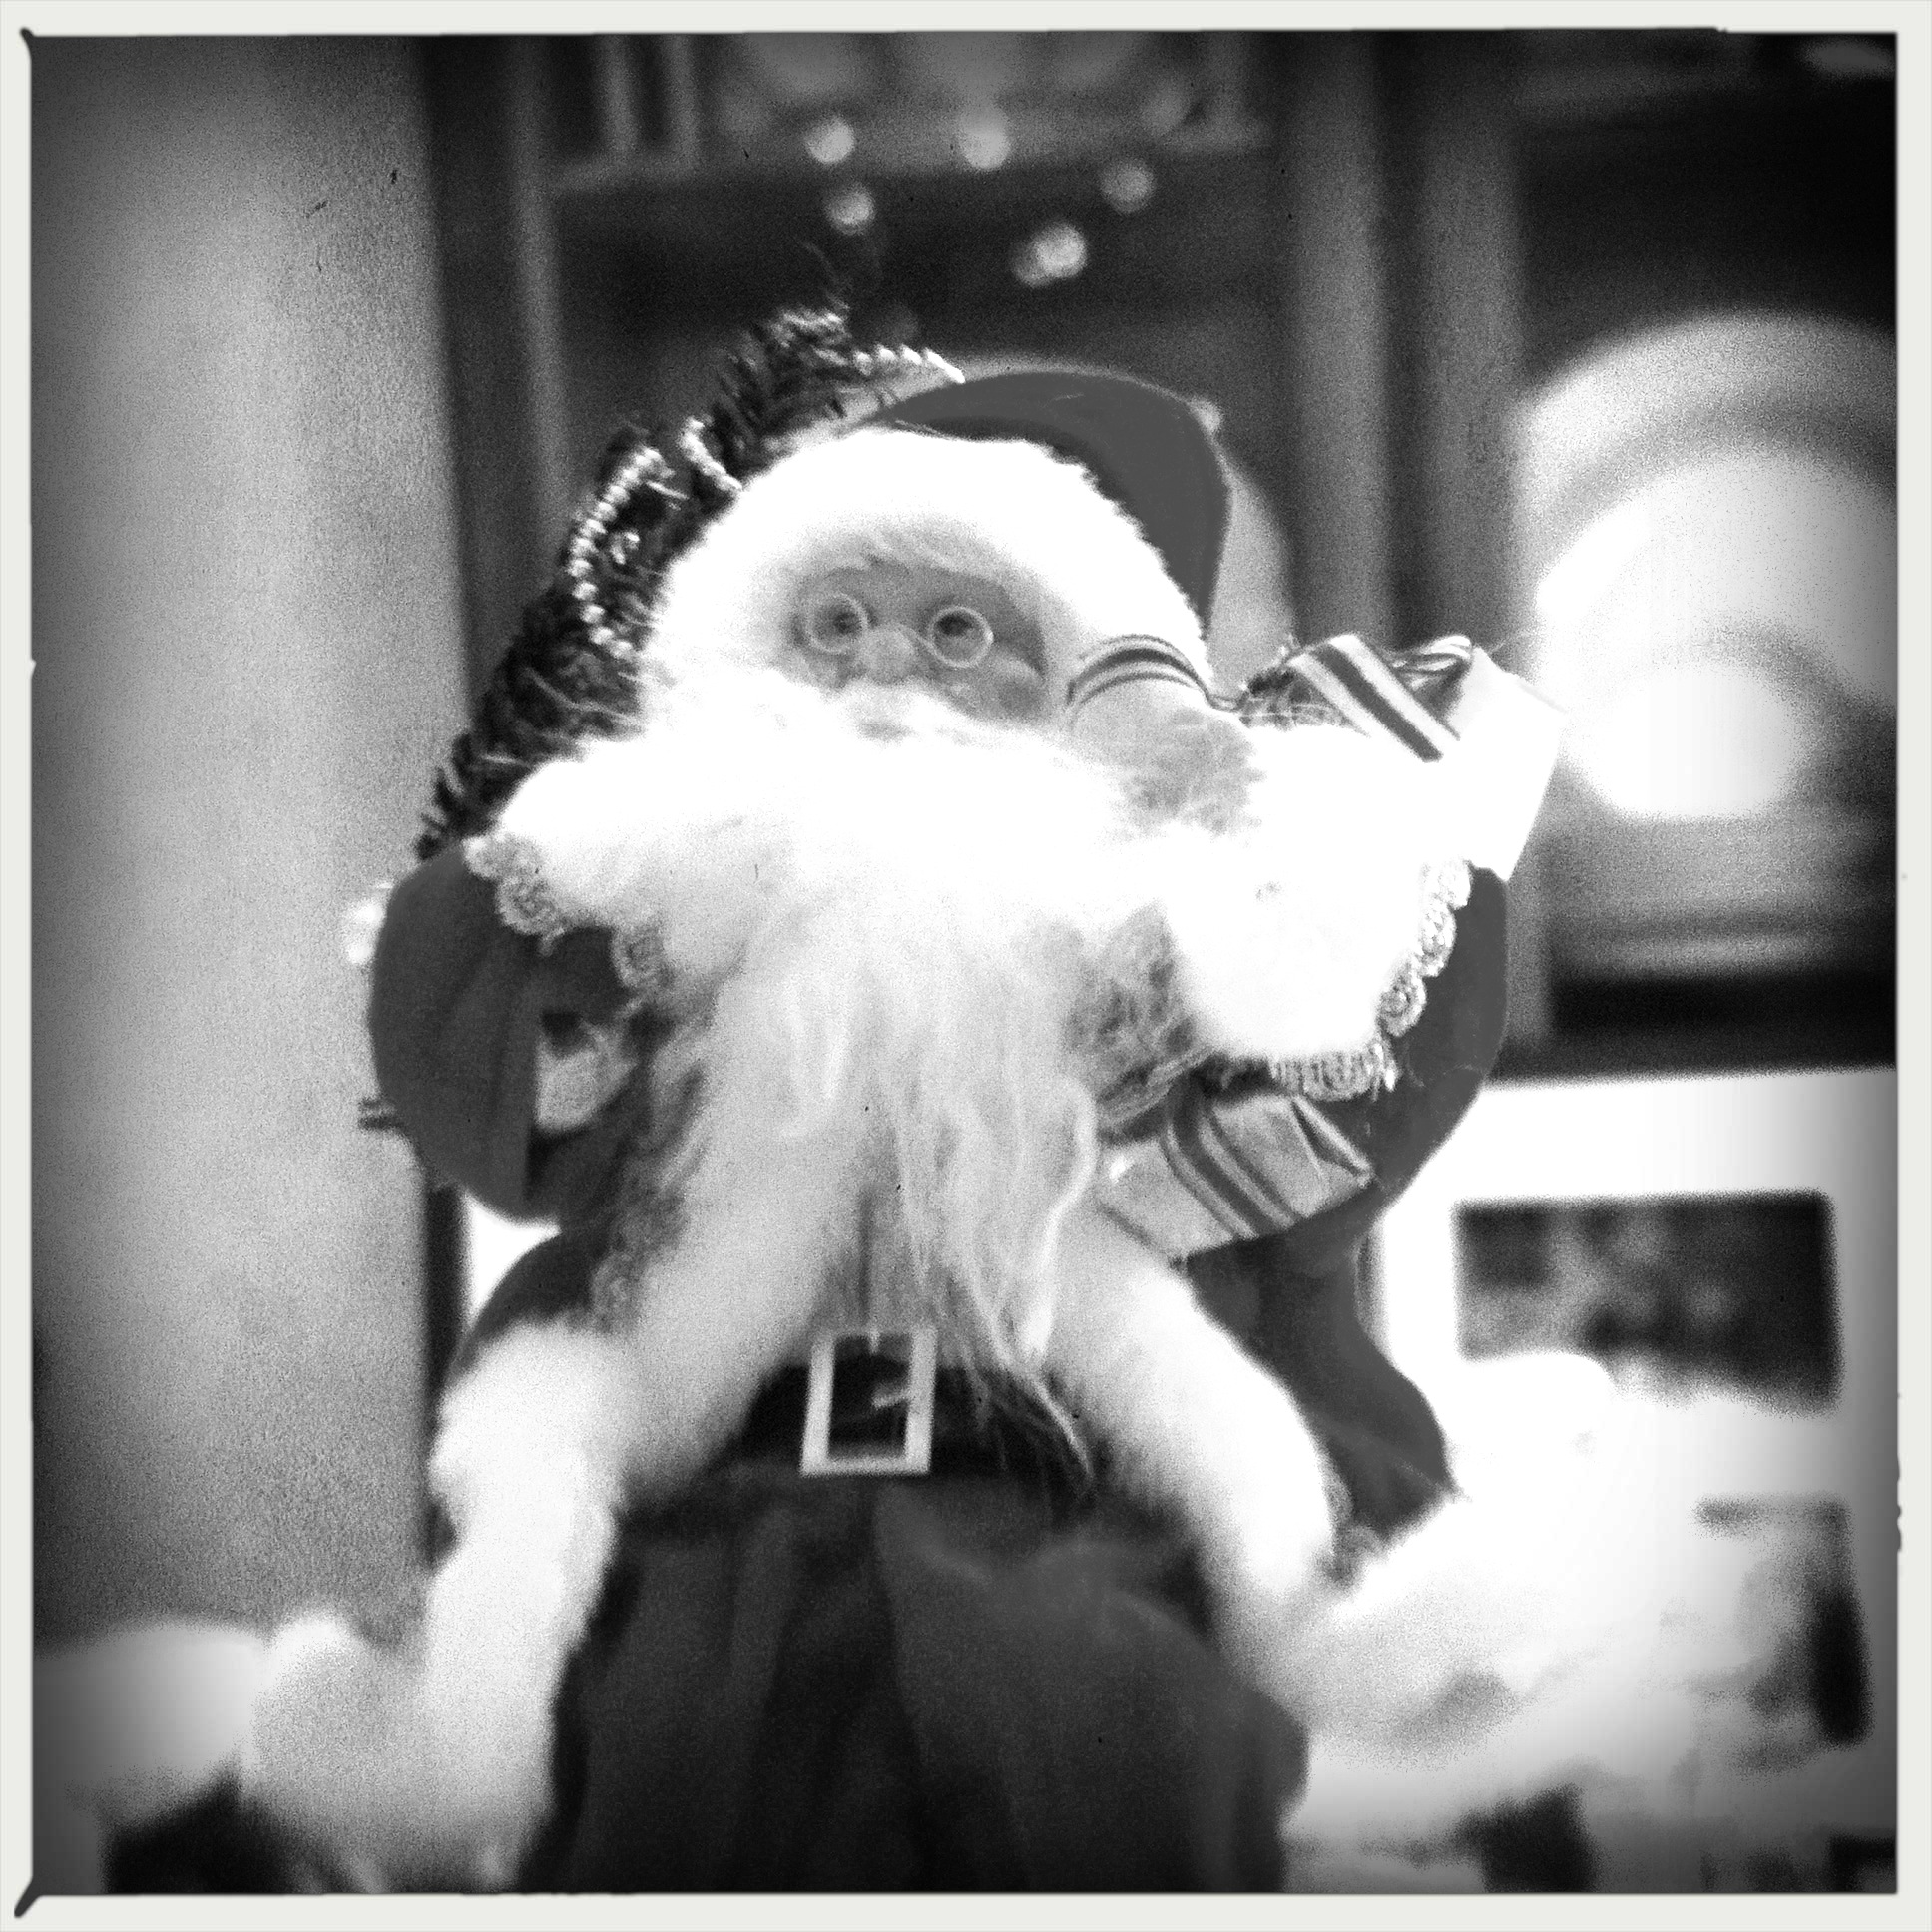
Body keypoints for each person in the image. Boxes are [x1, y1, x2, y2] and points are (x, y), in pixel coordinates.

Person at [116, 309, 1526, 1892]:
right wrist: (600, 900)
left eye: (957, 631)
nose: (884, 669)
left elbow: (1353, 1063)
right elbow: (482, 1079)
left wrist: (1242, 850)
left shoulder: (1144, 954)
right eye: (835, 620)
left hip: (1073, 1502)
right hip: (731, 1516)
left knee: (1109, 1719)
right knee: (662, 1734)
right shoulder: (677, 920)